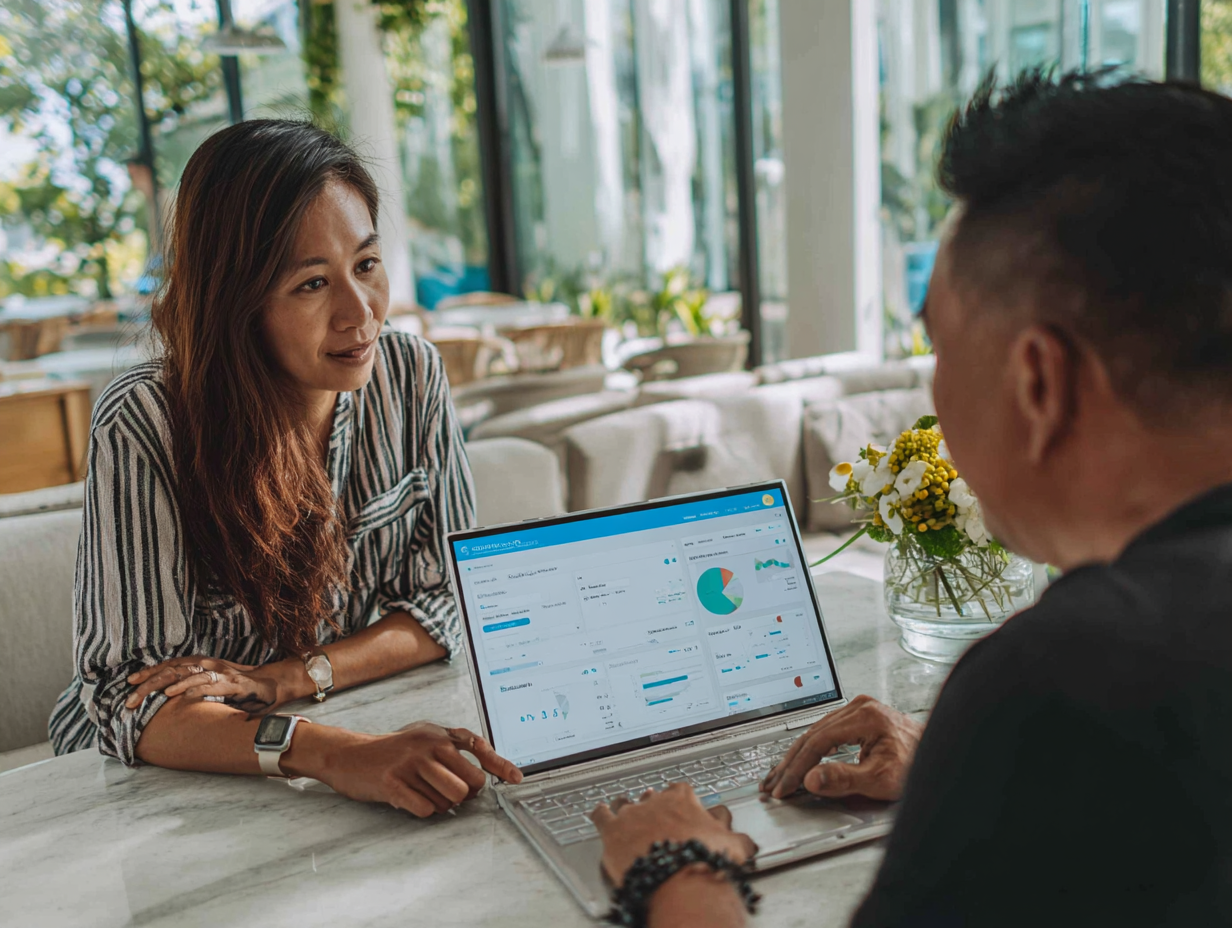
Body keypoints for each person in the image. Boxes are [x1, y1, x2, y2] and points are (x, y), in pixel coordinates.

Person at [592, 71, 1232, 926]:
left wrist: (673, 870)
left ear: (1037, 382)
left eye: (939, 347)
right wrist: (972, 765)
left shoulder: (1068, 681)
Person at [48, 120, 522, 816]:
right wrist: (333, 752)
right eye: (310, 285)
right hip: (143, 787)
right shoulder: (147, 420)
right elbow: (132, 702)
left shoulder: (412, 376)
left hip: (341, 716)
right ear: (237, 302)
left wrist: (291, 678)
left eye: (365, 266)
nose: (359, 314)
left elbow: (448, 602)